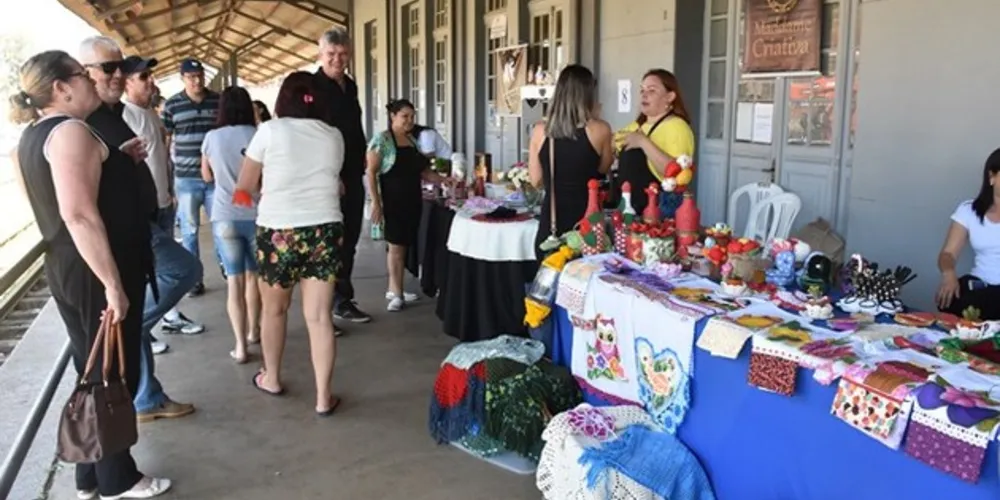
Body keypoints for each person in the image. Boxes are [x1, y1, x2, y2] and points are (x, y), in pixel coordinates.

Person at [11, 49, 171, 500]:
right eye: (82, 76)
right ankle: (118, 478)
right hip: (95, 269)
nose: (92, 82)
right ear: (61, 88)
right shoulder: (71, 132)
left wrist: (116, 160)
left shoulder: (34, 136)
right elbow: (79, 214)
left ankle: (89, 473)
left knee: (94, 368)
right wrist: (114, 284)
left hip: (70, 265)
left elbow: (56, 200)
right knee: (111, 374)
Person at [234, 71, 344, 415]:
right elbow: (335, 182)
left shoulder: (268, 131)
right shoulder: (334, 135)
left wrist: (260, 193)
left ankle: (273, 378)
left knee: (275, 310)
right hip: (324, 229)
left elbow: (245, 185)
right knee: (319, 317)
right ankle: (324, 397)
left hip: (278, 230)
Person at [116, 53, 201, 424]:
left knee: (169, 277)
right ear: (126, 82)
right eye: (143, 78)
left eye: (150, 76)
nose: (151, 82)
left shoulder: (149, 113)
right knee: (184, 269)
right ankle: (139, 328)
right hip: (144, 218)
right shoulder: (122, 116)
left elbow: (158, 158)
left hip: (162, 208)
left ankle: (148, 396)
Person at [366, 99, 455, 311]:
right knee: (396, 247)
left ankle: (394, 286)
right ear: (393, 117)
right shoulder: (382, 140)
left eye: (412, 117)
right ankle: (396, 294)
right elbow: (371, 172)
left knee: (403, 245)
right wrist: (376, 204)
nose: (409, 121)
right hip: (392, 201)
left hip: (412, 200)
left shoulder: (412, 141)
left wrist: (442, 180)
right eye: (404, 116)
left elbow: (422, 171)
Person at [527, 64, 613, 260]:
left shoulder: (541, 131)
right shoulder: (601, 129)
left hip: (552, 225)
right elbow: (602, 168)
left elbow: (535, 180)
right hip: (588, 225)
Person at [315, 27, 371, 324]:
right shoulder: (311, 88)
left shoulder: (349, 85)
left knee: (349, 238)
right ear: (320, 54)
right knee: (327, 241)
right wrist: (328, 174)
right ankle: (321, 311)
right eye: (331, 54)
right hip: (327, 177)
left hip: (351, 172)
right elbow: (311, 136)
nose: (338, 59)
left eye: (343, 54)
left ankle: (342, 298)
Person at [201, 86, 261, 363]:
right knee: (254, 277)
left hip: (225, 215)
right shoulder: (257, 134)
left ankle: (240, 347)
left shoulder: (211, 137)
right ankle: (254, 331)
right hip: (256, 214)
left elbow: (206, 176)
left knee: (233, 282)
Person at [161, 58, 221, 297]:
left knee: (221, 226)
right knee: (189, 230)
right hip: (185, 179)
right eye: (191, 77)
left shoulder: (218, 101)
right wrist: (166, 178)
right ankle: (195, 279)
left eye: (199, 76)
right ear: (183, 78)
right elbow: (165, 141)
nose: (196, 81)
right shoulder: (173, 105)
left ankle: (228, 270)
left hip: (214, 179)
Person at [615, 69, 695, 215]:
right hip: (629, 207)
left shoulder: (677, 127)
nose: (644, 95)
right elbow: (612, 144)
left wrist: (643, 142)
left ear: (670, 96)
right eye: (642, 90)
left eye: (652, 91)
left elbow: (677, 175)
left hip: (657, 212)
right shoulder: (637, 125)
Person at [936, 148, 1000, 320]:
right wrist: (949, 275)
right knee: (950, 299)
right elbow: (948, 254)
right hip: (981, 286)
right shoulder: (969, 210)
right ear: (992, 177)